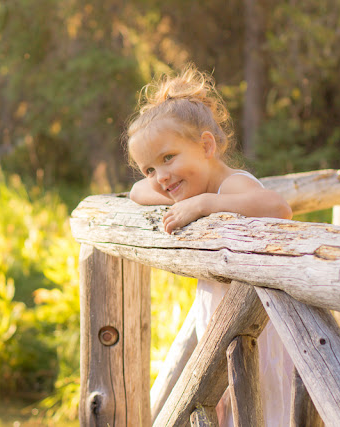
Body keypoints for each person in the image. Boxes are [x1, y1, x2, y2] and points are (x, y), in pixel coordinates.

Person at [125, 65, 293, 427]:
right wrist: (165, 188)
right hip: (224, 326)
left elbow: (279, 207)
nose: (160, 177)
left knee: (262, 412)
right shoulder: (188, 185)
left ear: (206, 146)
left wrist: (204, 205)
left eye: (168, 158)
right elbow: (136, 193)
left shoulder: (230, 187)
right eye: (149, 169)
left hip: (257, 330)